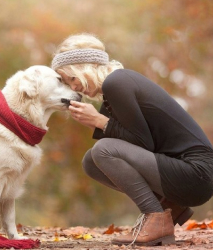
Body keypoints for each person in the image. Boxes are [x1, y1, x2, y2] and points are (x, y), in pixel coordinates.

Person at [51, 33, 213, 247]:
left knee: (102, 150)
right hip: (183, 173)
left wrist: (100, 121)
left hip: (196, 174)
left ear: (86, 67)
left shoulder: (117, 82)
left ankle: (155, 216)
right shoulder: (114, 90)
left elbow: (142, 144)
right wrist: (96, 122)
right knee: (91, 161)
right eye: (66, 82)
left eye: (72, 78)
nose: (73, 87)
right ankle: (169, 206)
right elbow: (135, 145)